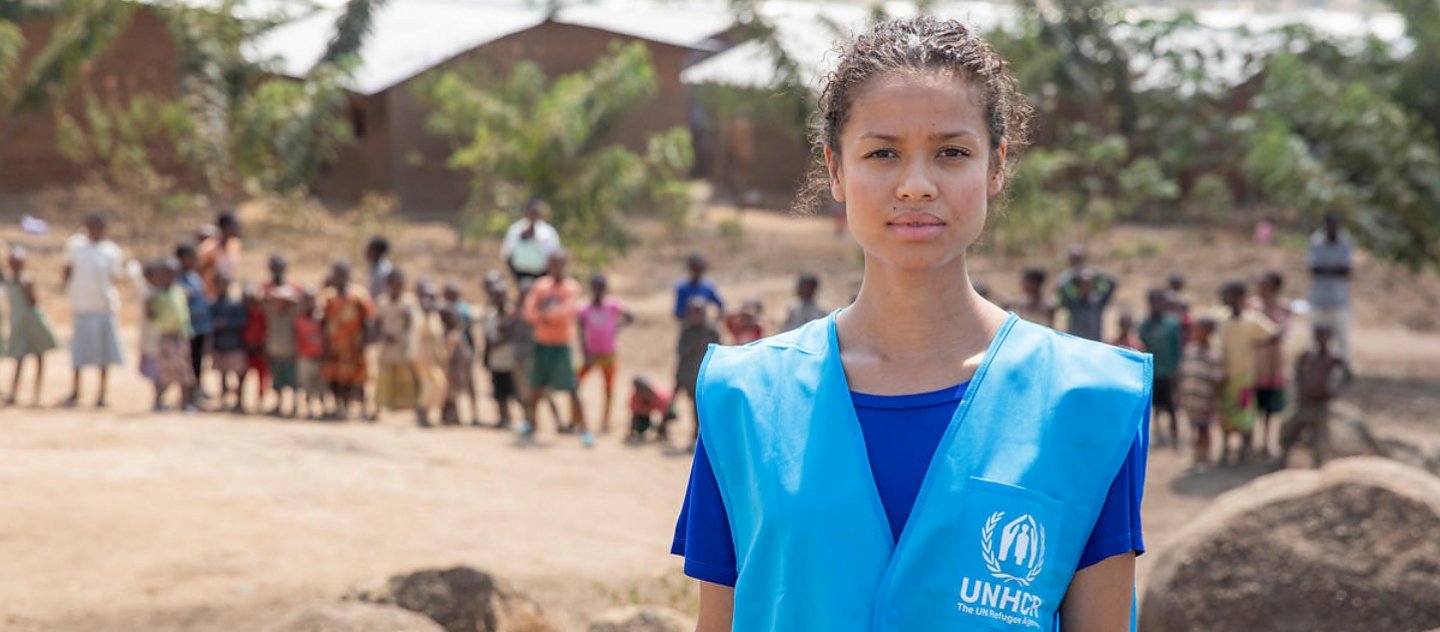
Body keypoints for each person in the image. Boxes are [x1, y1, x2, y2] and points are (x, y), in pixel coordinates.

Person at [672, 18, 1148, 631]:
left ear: (996, 166)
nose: (916, 186)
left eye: (951, 152)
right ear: (837, 170)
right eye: (882, 153)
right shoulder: (744, 398)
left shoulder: (1088, 402)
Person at [521, 251, 589, 446]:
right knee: (535, 386)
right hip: (542, 342)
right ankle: (531, 423)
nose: (555, 267)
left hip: (561, 344)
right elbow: (528, 312)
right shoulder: (541, 286)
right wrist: (545, 316)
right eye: (552, 264)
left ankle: (584, 428)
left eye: (559, 264)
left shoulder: (571, 287)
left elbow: (566, 312)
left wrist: (544, 316)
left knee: (571, 387)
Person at [63, 213, 127, 408]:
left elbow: (116, 277)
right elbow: (66, 270)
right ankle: (75, 392)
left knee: (103, 352)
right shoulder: (75, 246)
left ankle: (101, 393)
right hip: (81, 306)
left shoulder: (111, 251)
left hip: (103, 307)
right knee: (79, 352)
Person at [1215, 280, 1280, 466]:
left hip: (1244, 377)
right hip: (1224, 376)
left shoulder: (1252, 319)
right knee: (1225, 414)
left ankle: (1245, 451)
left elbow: (1275, 333)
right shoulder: (1221, 318)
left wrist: (1256, 345)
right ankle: (1225, 450)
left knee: (1245, 415)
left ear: (1239, 297)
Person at [1278, 324, 1351, 469]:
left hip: (1320, 405)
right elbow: (1297, 371)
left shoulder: (1333, 359)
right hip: (1303, 403)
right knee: (1288, 431)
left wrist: (1335, 392)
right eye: (1319, 336)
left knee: (1319, 439)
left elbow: (1348, 376)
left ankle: (1318, 467)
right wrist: (1300, 388)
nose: (1321, 340)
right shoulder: (1307, 356)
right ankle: (1282, 462)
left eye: (1324, 336)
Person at [3, 246, 59, 406]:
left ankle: (36, 393)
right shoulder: (8, 279)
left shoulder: (26, 279)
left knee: (38, 356)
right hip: (18, 322)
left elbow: (33, 301)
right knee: (19, 358)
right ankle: (13, 392)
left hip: (32, 321)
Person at [577, 273, 632, 433]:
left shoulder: (613, 305)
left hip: (609, 353)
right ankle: (576, 417)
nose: (599, 290)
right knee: (575, 383)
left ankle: (606, 420)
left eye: (601, 286)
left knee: (608, 388)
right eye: (596, 286)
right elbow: (580, 331)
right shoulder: (584, 308)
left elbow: (630, 317)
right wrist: (584, 351)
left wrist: (617, 327)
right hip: (591, 354)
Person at [321, 261, 375, 420]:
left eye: (343, 273)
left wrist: (366, 341)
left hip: (354, 345)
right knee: (335, 378)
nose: (340, 277)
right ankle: (339, 407)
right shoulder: (328, 296)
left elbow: (369, 319)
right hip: (334, 345)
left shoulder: (358, 295)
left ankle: (362, 409)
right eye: (337, 273)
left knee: (357, 378)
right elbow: (322, 320)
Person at [142, 258, 196, 412]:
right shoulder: (155, 295)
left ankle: (186, 403)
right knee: (163, 372)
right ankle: (158, 401)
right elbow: (150, 315)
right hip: (165, 337)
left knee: (184, 371)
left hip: (180, 337)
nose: (168, 276)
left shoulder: (179, 291)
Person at [1250, 271, 1293, 457]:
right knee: (1252, 403)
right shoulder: (1253, 305)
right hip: (1254, 362)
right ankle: (1251, 442)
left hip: (1273, 362)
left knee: (1269, 406)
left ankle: (1267, 441)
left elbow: (1280, 333)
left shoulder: (1282, 307)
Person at [668, 297, 719, 449]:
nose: (697, 316)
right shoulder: (686, 331)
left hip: (701, 378)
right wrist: (695, 347)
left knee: (696, 409)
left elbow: (718, 352)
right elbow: (680, 351)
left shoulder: (712, 332)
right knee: (671, 403)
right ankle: (662, 428)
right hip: (684, 374)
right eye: (694, 313)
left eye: (700, 312)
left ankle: (695, 436)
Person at [1139, 289, 1183, 450]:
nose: (1156, 305)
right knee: (1154, 406)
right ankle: (1157, 433)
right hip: (1152, 372)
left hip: (1168, 372)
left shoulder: (1172, 324)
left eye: (1159, 301)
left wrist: (1177, 369)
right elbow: (1141, 345)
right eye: (1153, 302)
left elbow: (1177, 348)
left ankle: (1175, 435)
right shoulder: (1145, 324)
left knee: (1172, 407)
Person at [262, 254, 304, 417]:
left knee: (293, 378)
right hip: (274, 343)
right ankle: (278, 404)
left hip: (291, 345)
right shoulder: (266, 291)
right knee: (277, 378)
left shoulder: (294, 290)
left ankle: (293, 406)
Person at [1179, 318, 1223, 472]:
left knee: (1204, 430)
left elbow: (1217, 381)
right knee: (1194, 429)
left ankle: (1205, 458)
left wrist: (1213, 401)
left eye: (1199, 330)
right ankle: (1196, 457)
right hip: (1192, 399)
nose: (1195, 333)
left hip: (1205, 400)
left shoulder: (1213, 356)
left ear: (1208, 333)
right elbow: (1183, 373)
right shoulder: (1189, 351)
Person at [1307, 213, 1352, 358]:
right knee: (1316, 339)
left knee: (1342, 339)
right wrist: (1334, 269)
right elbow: (1313, 270)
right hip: (1319, 298)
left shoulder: (1345, 241)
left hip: (1338, 299)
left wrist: (1325, 269)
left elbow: (1346, 271)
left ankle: (1343, 370)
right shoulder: (1316, 241)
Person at [375, 269, 419, 416]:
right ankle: (379, 409)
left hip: (403, 345)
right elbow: (377, 323)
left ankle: (406, 410)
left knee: (405, 379)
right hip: (387, 346)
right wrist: (383, 335)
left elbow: (413, 324)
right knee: (384, 379)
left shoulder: (408, 302)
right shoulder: (382, 301)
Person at [175, 244, 214, 403]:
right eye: (189, 257)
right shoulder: (175, 278)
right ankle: (185, 395)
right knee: (185, 361)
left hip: (201, 326)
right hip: (185, 327)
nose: (193, 260)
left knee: (198, 360)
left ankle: (196, 391)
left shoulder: (196, 277)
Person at [481, 277, 521, 429]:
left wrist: (500, 341)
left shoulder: (513, 313)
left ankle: (525, 420)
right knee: (499, 391)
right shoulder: (489, 315)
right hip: (496, 360)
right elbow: (487, 338)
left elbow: (515, 334)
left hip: (511, 360)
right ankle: (503, 418)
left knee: (516, 391)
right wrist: (485, 357)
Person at [442, 281, 481, 425]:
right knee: (451, 384)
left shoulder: (465, 309)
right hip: (449, 352)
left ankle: (475, 415)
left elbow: (470, 333)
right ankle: (453, 414)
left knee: (469, 384)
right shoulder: (443, 307)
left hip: (464, 351)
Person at [412, 279, 449, 427]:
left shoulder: (435, 314)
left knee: (438, 385)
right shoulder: (418, 313)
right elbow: (420, 329)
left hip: (433, 357)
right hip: (422, 357)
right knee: (434, 384)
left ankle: (425, 412)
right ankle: (421, 411)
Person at [209, 272, 248, 412]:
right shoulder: (212, 304)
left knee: (238, 374)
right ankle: (223, 400)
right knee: (222, 375)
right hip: (219, 345)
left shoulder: (235, 304)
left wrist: (227, 324)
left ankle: (239, 401)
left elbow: (242, 321)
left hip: (235, 344)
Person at [500, 198, 562, 284]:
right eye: (531, 211)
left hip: (542, 274)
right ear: (526, 211)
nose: (533, 215)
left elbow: (554, 255)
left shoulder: (548, 232)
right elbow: (507, 254)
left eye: (536, 212)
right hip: (519, 275)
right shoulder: (515, 229)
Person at [1057, 267, 1118, 341]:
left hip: (1094, 344)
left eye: (1089, 284)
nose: (1086, 287)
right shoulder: (1073, 303)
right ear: (1078, 286)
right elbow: (1060, 287)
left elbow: (1113, 283)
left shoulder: (1098, 302)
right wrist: (1074, 273)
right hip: (1076, 343)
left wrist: (1096, 273)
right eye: (1083, 284)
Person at [295, 289, 328, 420]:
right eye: (306, 300)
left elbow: (326, 337)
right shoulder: (299, 318)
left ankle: (324, 409)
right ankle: (308, 409)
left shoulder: (321, 319)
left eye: (311, 300)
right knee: (306, 386)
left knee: (321, 386)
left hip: (319, 357)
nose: (309, 303)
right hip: (304, 357)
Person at [440, 307, 474, 427]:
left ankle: (452, 416)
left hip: (457, 367)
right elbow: (446, 354)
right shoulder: (451, 335)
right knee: (449, 393)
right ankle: (448, 416)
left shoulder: (455, 334)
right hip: (451, 367)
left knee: (453, 393)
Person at [197, 211, 242, 300]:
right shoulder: (208, 248)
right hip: (210, 295)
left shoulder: (235, 245)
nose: (236, 228)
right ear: (224, 227)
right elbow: (198, 270)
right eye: (233, 225)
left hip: (228, 293)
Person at [239, 286, 269, 413]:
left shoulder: (261, 314)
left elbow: (265, 331)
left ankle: (260, 402)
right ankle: (239, 401)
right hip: (246, 351)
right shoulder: (241, 314)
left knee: (261, 379)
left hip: (259, 352)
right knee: (241, 378)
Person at [673, 253, 723, 321]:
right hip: (687, 324)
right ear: (690, 269)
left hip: (705, 323)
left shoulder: (708, 287)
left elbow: (721, 305)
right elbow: (678, 312)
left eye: (700, 268)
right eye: (695, 268)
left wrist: (715, 320)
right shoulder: (682, 288)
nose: (697, 271)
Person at [628, 376, 676, 442]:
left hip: (667, 406)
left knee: (671, 413)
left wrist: (661, 429)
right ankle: (643, 427)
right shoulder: (636, 397)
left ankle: (661, 431)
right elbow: (634, 414)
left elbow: (665, 413)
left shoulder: (659, 397)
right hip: (646, 412)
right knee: (639, 422)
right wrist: (631, 431)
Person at [364, 236, 394, 303]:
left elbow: (385, 292)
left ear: (376, 251)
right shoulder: (374, 266)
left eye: (370, 249)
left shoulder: (384, 270)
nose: (366, 251)